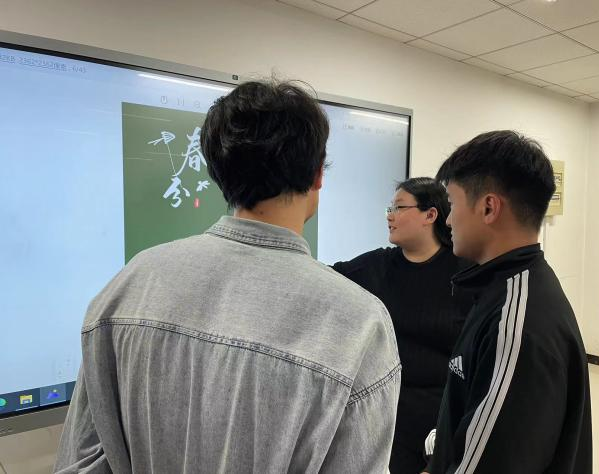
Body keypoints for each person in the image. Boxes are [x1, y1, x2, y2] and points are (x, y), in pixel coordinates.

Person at [54, 80, 401, 473]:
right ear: (318, 175)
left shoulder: (131, 284)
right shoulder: (358, 325)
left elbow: (82, 462)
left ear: (219, 172)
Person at [425, 130, 592, 473]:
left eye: (452, 204)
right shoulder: (504, 289)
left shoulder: (516, 322)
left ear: (489, 207)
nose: (448, 219)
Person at [332, 177, 471, 474]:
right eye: (389, 208)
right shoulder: (378, 266)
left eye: (398, 207)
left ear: (430, 215)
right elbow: (326, 280)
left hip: (443, 417)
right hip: (386, 413)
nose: (389, 216)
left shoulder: (463, 273)